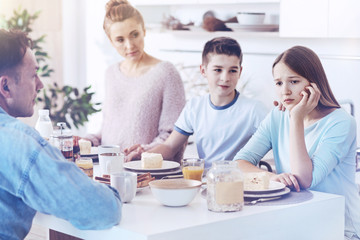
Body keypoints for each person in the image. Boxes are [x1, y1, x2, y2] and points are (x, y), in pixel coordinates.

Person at [0, 29, 122, 239]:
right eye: (33, 75)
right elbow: (103, 209)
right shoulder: (18, 143)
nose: (40, 84)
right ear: (5, 86)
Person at [234, 46, 360, 239]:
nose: (285, 91)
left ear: (313, 84)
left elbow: (304, 180)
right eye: (278, 83)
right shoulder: (277, 116)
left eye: (293, 81)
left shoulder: (341, 123)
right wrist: (270, 177)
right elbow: (239, 163)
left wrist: (296, 119)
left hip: (340, 227)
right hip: (298, 221)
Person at [84, 0, 185, 162]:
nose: (130, 45)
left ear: (144, 31)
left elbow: (174, 135)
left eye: (134, 34)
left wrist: (143, 152)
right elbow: (109, 131)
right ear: (111, 41)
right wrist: (89, 141)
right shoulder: (111, 74)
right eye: (120, 39)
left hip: (146, 170)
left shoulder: (166, 73)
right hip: (109, 168)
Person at [147, 37, 268, 168]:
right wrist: (142, 158)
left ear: (240, 72)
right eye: (218, 70)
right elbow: (170, 146)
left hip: (240, 183)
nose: (225, 78)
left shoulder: (254, 109)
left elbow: (281, 141)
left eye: (233, 71)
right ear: (203, 70)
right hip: (206, 182)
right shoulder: (194, 106)